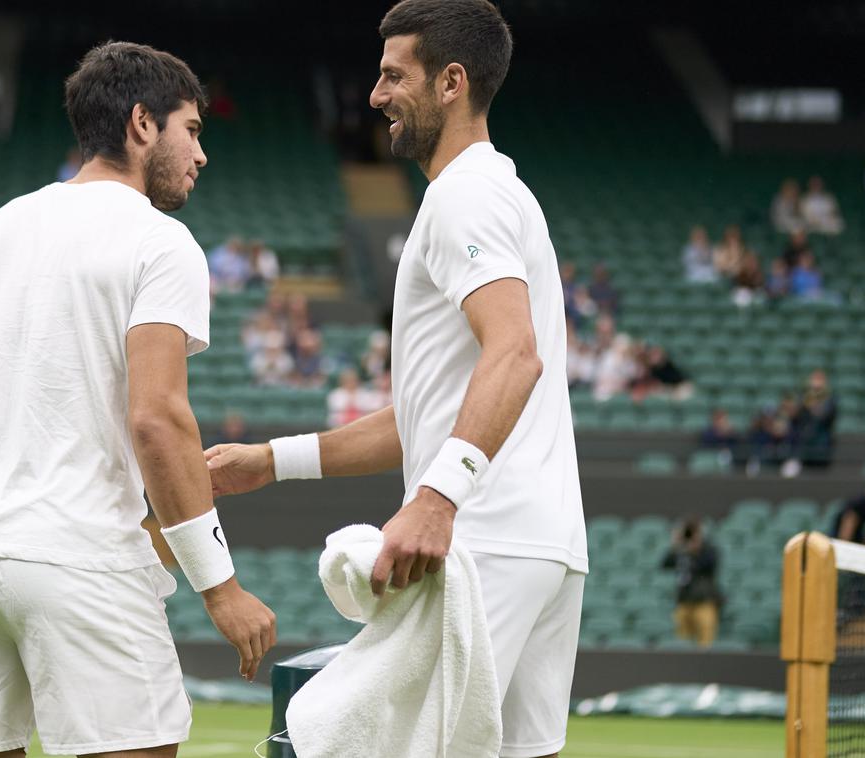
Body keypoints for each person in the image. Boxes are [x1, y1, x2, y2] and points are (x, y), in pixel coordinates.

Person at [205, 3, 586, 756]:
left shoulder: (463, 196)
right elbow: (422, 415)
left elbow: (515, 354)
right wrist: (271, 461)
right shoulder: (501, 193)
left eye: (392, 76)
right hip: (543, 547)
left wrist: (438, 499)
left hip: (484, 543)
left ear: (451, 82)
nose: (375, 95)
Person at [0, 41, 275, 758]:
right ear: (143, 123)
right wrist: (221, 588)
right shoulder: (163, 242)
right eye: (194, 129)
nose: (201, 153)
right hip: (80, 558)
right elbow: (158, 419)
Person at [660, 517, 721, 647]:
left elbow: (708, 564)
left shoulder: (709, 550)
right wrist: (675, 545)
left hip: (704, 601)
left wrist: (696, 549)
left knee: (705, 641)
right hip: (683, 600)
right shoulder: (681, 551)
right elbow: (665, 564)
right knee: (683, 641)